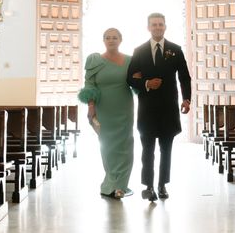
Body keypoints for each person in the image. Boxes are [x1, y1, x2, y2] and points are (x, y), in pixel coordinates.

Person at [127, 13, 191, 201]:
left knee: (166, 149)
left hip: (169, 108)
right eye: (154, 25)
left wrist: (187, 99)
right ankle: (148, 186)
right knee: (147, 150)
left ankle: (162, 185)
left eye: (160, 24)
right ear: (148, 27)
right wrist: (146, 83)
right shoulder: (139, 51)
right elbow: (130, 78)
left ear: (165, 27)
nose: (157, 27)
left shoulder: (175, 50)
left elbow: (184, 77)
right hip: (147, 108)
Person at [78, 28, 134, 199]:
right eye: (108, 38)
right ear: (103, 40)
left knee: (125, 146)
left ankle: (121, 186)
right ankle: (111, 182)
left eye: (115, 37)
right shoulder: (94, 60)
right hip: (103, 108)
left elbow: (137, 81)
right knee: (107, 145)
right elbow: (89, 84)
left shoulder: (130, 60)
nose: (111, 40)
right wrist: (90, 107)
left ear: (121, 39)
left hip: (124, 107)